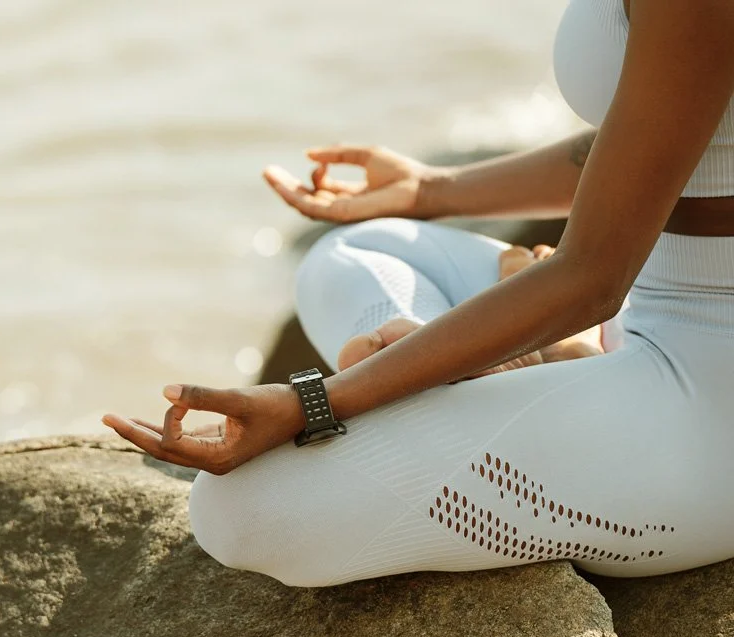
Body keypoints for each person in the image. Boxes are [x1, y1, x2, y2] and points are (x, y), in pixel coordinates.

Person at [101, 0, 734, 588]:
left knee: (241, 513)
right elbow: (658, 134)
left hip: (708, 406)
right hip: (634, 312)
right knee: (357, 252)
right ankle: (510, 361)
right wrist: (431, 189)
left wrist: (319, 401)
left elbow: (590, 280)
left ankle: (519, 358)